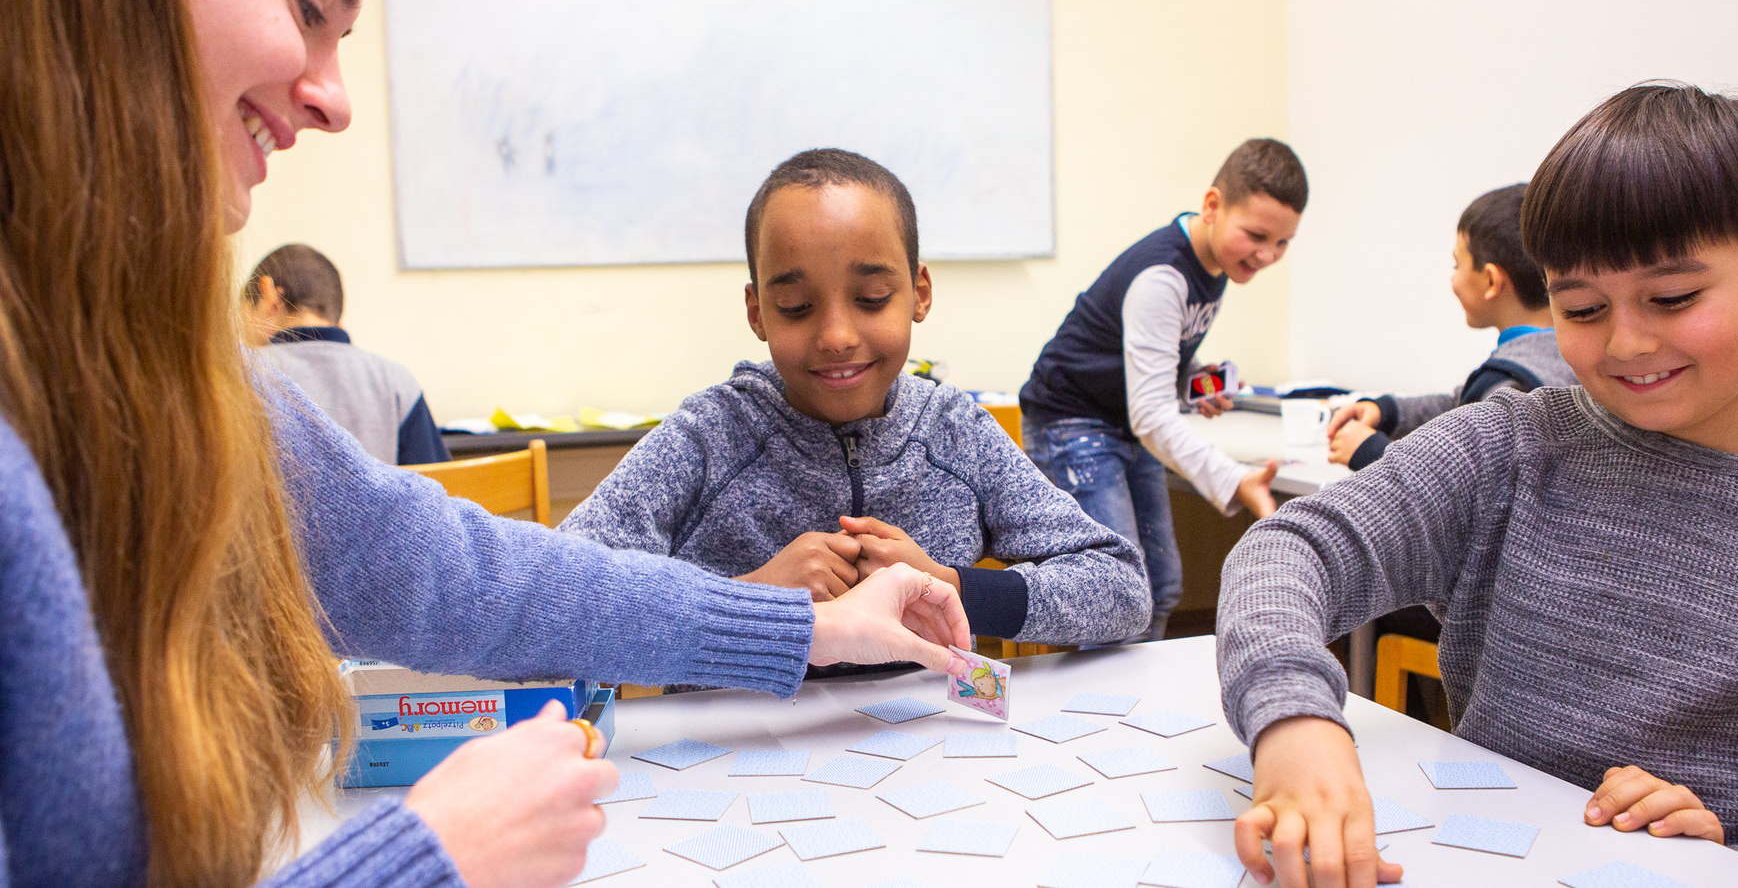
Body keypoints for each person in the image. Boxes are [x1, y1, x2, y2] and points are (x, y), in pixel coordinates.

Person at [0, 0, 969, 888]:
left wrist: (807, 628)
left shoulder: (177, 388)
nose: (332, 98)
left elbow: (455, 571)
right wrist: (428, 858)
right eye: (304, 4)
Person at [1216, 83, 1738, 888]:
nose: (1626, 341)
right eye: (1582, 306)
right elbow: (1290, 549)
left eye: (1672, 298)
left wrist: (1737, 862)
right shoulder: (1512, 444)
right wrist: (1294, 716)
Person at [560, 149, 1152, 648]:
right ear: (756, 312)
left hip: (930, 754)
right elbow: (553, 602)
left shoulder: (953, 430)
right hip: (744, 760)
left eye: (871, 298)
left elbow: (1124, 589)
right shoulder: (709, 438)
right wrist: (748, 599)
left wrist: (949, 585)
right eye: (796, 307)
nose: (837, 337)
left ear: (919, 293)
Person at [1018, 138, 1308, 642]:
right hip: (1073, 424)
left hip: (1121, 420)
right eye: (1257, 235)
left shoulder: (1216, 264)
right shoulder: (1163, 274)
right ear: (1213, 207)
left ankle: (1133, 706)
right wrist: (1233, 479)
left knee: (1162, 586)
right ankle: (1099, 710)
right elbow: (1151, 415)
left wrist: (1189, 379)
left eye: (1282, 244)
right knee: (1115, 594)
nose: (1267, 255)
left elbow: (1151, 356)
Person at [1326, 183, 1577, 471]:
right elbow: (1457, 405)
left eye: (1456, 265)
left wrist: (1371, 452)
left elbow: (1459, 483)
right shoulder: (1570, 357)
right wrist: (1388, 411)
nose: (1453, 280)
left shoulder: (1506, 385)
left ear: (1491, 281)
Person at [245, 243, 451, 465]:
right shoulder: (396, 382)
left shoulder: (241, 373)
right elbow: (436, 483)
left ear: (269, 298)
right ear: (338, 322)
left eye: (244, 315)